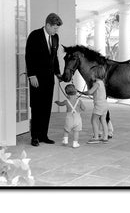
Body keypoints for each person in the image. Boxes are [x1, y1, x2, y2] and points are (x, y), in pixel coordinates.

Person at [25, 13, 63, 147]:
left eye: (57, 29)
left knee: (46, 107)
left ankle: (43, 135)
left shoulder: (55, 38)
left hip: (49, 79)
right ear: (47, 25)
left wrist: (58, 73)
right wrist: (31, 75)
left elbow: (55, 57)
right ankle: (34, 136)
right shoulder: (34, 36)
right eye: (54, 28)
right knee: (36, 107)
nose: (56, 31)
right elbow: (28, 56)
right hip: (36, 78)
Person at [79, 65, 109, 144]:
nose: (90, 75)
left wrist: (83, 92)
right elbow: (96, 93)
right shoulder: (102, 83)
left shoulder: (97, 83)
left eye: (91, 74)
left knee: (94, 120)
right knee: (103, 120)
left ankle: (96, 137)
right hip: (104, 104)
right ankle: (105, 137)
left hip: (99, 105)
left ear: (96, 74)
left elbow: (90, 92)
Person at [54, 84, 86, 148]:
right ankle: (75, 143)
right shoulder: (79, 101)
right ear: (75, 91)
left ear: (66, 93)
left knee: (66, 130)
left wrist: (57, 102)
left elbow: (60, 104)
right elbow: (84, 108)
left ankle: (65, 140)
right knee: (76, 131)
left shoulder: (66, 101)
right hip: (77, 118)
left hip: (69, 118)